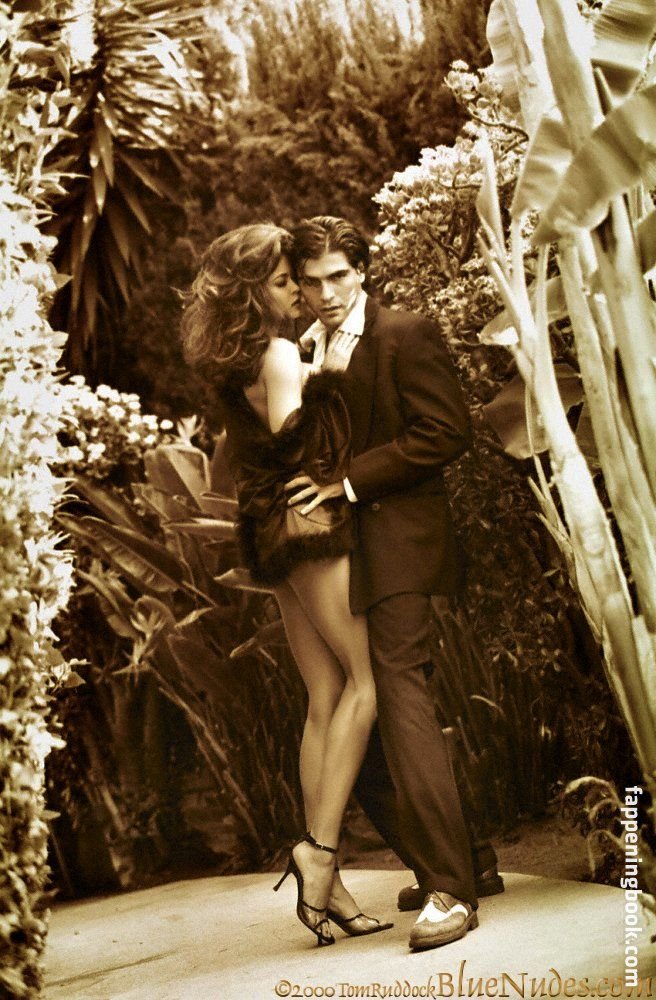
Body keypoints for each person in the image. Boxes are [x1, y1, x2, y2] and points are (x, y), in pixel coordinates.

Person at [287, 215, 503, 952]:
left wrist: (347, 482)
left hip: (402, 544)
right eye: (311, 281)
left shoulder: (405, 334)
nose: (326, 293)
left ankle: (451, 891)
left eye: (338, 277)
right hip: (341, 556)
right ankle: (465, 860)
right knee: (364, 709)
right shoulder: (306, 350)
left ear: (363, 271)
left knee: (397, 695)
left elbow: (446, 432)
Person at [179, 223, 393, 947]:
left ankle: (331, 888)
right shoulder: (275, 353)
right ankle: (321, 852)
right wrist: (325, 379)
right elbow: (292, 436)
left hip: (267, 527)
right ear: (254, 292)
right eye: (283, 281)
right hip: (305, 524)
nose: (299, 291)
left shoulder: (234, 357)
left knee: (322, 696)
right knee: (367, 682)